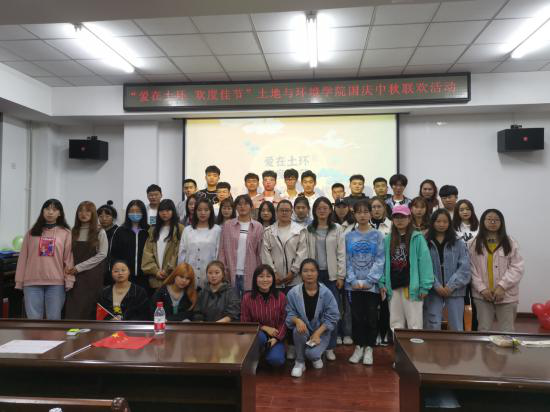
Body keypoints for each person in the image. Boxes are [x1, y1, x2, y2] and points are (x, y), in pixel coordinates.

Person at [15, 199, 73, 320]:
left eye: (54, 209)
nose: (50, 212)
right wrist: (19, 281)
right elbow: (22, 259)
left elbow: (68, 259)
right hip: (32, 283)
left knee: (54, 320)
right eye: (47, 209)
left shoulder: (66, 233)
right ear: (43, 211)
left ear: (60, 213)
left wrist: (69, 280)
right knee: (33, 321)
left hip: (56, 284)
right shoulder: (31, 233)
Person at [379, 205, 434, 330]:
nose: (399, 220)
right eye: (396, 217)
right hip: (393, 287)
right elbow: (383, 263)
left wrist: (425, 286)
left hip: (411, 287)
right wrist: (382, 282)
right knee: (395, 323)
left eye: (403, 217)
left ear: (409, 219)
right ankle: (398, 343)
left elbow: (425, 262)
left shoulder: (417, 238)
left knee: (414, 324)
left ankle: (415, 344)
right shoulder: (387, 239)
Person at [469, 209, 524, 332]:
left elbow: (517, 267)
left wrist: (502, 287)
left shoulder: (510, 243)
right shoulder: (472, 244)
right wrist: (482, 289)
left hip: (506, 294)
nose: (492, 222)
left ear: (501, 222)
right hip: (482, 295)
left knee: (507, 331)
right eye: (489, 219)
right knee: (483, 330)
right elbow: (470, 269)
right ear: (483, 221)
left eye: (496, 220)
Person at [305, 197, 345, 361]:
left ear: (330, 210)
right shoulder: (309, 229)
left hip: (331, 275)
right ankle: (315, 344)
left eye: (325, 208)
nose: (322, 211)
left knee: (331, 312)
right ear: (314, 211)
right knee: (315, 311)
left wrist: (340, 275)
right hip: (313, 275)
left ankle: (330, 347)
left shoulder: (337, 228)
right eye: (319, 208)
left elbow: (341, 253)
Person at [345, 200, 385, 365]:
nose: (362, 215)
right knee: (357, 317)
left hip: (372, 286)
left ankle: (369, 348)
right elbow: (346, 260)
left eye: (365, 212)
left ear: (370, 213)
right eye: (359, 212)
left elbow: (380, 259)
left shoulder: (378, 235)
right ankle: (358, 347)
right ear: (354, 214)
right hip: (353, 285)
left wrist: (370, 280)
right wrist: (353, 280)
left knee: (371, 317)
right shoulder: (348, 236)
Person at [286, 259, 339, 378]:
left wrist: (318, 333)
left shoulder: (326, 293)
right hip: (303, 330)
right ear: (300, 274)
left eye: (312, 270)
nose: (309, 274)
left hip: (321, 332)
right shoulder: (293, 293)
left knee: (312, 354)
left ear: (317, 273)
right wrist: (297, 320)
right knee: (298, 330)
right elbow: (289, 313)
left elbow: (333, 316)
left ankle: (314, 355)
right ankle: (300, 362)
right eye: (305, 271)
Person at [424, 209, 471, 331]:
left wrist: (451, 286)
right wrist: (437, 286)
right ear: (432, 222)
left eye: (445, 222)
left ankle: (457, 345)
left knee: (456, 326)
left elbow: (465, 268)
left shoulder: (458, 242)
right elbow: (423, 267)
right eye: (438, 221)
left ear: (449, 223)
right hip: (432, 290)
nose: (441, 224)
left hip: (455, 290)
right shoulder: (425, 241)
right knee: (432, 325)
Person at [65, 201, 108, 320]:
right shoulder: (73, 231)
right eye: (81, 211)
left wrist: (79, 268)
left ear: (93, 213)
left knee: (89, 308)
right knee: (74, 308)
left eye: (87, 211)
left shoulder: (100, 231)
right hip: (74, 275)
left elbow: (102, 254)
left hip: (92, 275)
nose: (83, 214)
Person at [241, 265, 288, 367]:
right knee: (259, 338)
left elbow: (284, 321)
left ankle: (266, 353)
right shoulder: (247, 298)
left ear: (273, 279)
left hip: (275, 336)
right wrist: (263, 327)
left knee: (276, 360)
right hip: (256, 334)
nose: (265, 280)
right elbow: (245, 322)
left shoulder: (281, 297)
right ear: (255, 279)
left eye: (268, 276)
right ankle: (256, 355)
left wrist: (276, 339)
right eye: (261, 276)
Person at [218, 195, 263, 297]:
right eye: (239, 204)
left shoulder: (257, 226)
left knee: (248, 302)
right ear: (236, 207)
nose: (242, 207)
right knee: (232, 303)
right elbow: (222, 250)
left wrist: (259, 272)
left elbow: (259, 252)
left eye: (246, 204)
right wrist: (223, 270)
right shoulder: (228, 225)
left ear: (251, 207)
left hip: (251, 272)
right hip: (231, 272)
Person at [262, 200, 308, 290]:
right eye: (281, 210)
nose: (284, 212)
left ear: (291, 212)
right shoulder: (268, 231)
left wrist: (293, 272)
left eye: (287, 210)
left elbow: (302, 253)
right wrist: (273, 273)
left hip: (295, 280)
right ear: (277, 212)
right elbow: (265, 254)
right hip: (274, 279)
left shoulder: (300, 230)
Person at [141, 199, 184, 293]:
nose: (164, 213)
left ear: (173, 211)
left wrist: (167, 270)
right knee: (157, 300)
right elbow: (147, 252)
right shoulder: (153, 229)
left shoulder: (180, 229)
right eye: (161, 210)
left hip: (173, 276)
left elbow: (179, 252)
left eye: (168, 210)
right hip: (155, 277)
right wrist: (155, 271)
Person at [178, 197, 221, 288]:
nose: (203, 213)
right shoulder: (187, 230)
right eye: (199, 210)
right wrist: (181, 273)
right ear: (195, 212)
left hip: (210, 277)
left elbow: (218, 254)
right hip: (189, 277)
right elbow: (182, 254)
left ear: (211, 212)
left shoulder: (217, 230)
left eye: (206, 210)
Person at [110, 200, 150, 291]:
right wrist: (119, 271)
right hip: (125, 276)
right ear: (127, 213)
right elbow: (114, 254)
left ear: (143, 213)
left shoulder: (149, 230)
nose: (135, 213)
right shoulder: (120, 231)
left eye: (138, 211)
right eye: (132, 211)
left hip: (145, 277)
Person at [368, 197, 392, 346]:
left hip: (386, 270)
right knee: (371, 307)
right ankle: (372, 333)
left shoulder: (391, 225)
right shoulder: (363, 225)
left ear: (384, 208)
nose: (376, 210)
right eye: (373, 207)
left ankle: (383, 333)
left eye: (379, 207)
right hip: (368, 271)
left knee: (385, 306)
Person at [97, 200, 119, 286]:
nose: (104, 219)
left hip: (113, 270)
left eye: (107, 216)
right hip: (98, 270)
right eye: (100, 216)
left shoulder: (118, 231)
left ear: (113, 217)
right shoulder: (96, 232)